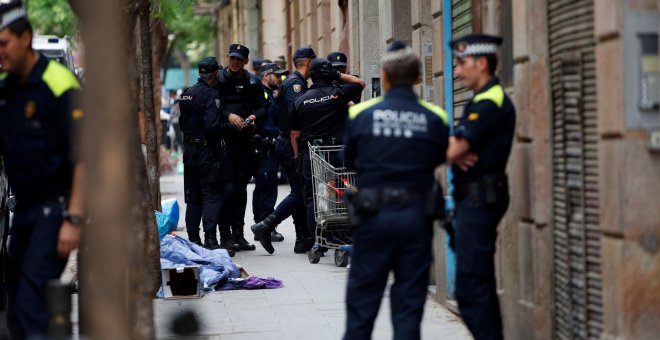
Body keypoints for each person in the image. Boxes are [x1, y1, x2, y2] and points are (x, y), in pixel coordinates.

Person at [342, 41, 449, 340]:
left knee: (362, 304)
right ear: (417, 78)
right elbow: (440, 157)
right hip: (415, 219)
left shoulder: (360, 114)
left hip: (373, 218)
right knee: (408, 305)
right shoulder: (435, 116)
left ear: (385, 77)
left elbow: (348, 159)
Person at [0, 2, 85, 337]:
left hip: (57, 209)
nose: (0, 52)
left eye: (4, 43)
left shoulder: (59, 84)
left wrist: (74, 218)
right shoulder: (7, 89)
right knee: (17, 307)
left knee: (31, 300)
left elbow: (84, 157)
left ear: (26, 38)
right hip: (23, 210)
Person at [445, 34, 516, 340]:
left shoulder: (490, 100)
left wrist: (448, 149)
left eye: (462, 63)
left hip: (480, 201)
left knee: (471, 289)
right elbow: (455, 150)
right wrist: (453, 149)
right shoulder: (482, 98)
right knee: (479, 286)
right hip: (474, 201)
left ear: (482, 63)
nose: (457, 72)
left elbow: (453, 152)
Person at [290, 58, 365, 254]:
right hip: (337, 152)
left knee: (313, 197)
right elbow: (360, 83)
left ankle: (318, 238)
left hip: (311, 154)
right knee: (340, 191)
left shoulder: (300, 100)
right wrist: (338, 76)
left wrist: (298, 157)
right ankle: (340, 233)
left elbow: (295, 133)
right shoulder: (338, 94)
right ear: (329, 74)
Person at [250, 47, 316, 254]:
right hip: (290, 144)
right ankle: (266, 225)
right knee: (298, 192)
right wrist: (297, 151)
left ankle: (301, 238)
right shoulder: (296, 84)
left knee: (299, 191)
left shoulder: (294, 83)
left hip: (287, 143)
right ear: (307, 62)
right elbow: (297, 117)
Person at [178, 56, 235, 255]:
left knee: (193, 197)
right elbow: (212, 127)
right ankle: (211, 239)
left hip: (190, 152)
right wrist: (232, 126)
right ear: (215, 74)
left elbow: (182, 125)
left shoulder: (187, 93)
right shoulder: (211, 95)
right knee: (211, 194)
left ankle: (194, 238)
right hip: (205, 153)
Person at [217, 43, 265, 252]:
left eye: (239, 59)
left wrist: (255, 118)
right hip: (224, 142)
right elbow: (210, 106)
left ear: (245, 61)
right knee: (226, 189)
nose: (235, 62)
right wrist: (228, 115)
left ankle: (239, 234)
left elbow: (264, 106)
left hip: (245, 142)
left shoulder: (253, 82)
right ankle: (225, 235)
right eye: (232, 58)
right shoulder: (217, 79)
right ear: (227, 58)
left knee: (241, 189)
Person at [252, 63, 289, 243]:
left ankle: (261, 223)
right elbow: (266, 117)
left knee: (264, 186)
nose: (280, 79)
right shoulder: (263, 94)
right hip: (265, 146)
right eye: (277, 76)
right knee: (267, 186)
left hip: (271, 146)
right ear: (266, 76)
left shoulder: (269, 94)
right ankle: (265, 225)